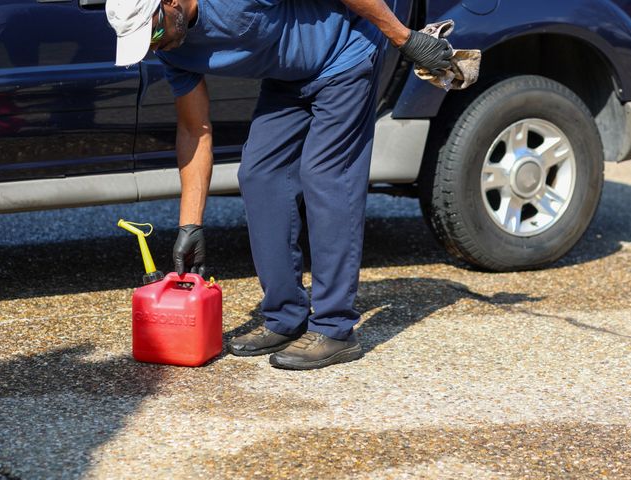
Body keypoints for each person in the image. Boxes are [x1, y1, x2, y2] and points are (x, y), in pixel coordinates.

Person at [106, 0, 452, 370]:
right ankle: (285, 318)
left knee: (326, 176)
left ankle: (335, 329)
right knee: (259, 175)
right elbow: (195, 129)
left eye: (154, 33)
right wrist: (190, 225)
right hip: (288, 79)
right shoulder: (172, 50)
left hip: (344, 53)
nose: (155, 46)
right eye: (145, 44)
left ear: (170, 2)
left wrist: (402, 36)